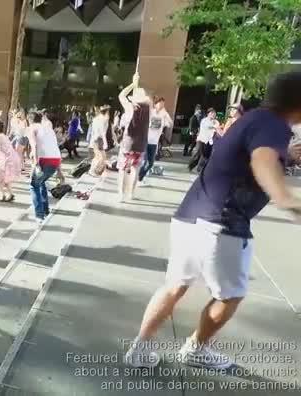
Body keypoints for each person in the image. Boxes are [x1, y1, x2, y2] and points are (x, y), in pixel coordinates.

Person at [125, 71, 301, 370]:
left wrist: (288, 155)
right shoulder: (275, 126)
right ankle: (195, 348)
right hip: (223, 223)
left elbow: (252, 154)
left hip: (190, 214)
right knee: (231, 296)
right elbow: (262, 160)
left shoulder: (255, 119)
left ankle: (139, 349)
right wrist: (286, 199)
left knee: (174, 285)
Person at [116, 73, 150, 202]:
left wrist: (133, 83)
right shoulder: (148, 109)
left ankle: (121, 193)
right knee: (135, 168)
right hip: (141, 143)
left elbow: (121, 95)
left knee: (123, 168)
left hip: (128, 142)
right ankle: (131, 194)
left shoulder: (130, 107)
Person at [27, 111, 61, 224]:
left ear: (29, 120)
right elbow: (56, 147)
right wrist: (59, 171)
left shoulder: (31, 128)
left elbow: (34, 145)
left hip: (44, 161)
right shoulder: (49, 129)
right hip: (56, 160)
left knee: (33, 185)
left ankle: (39, 215)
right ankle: (45, 210)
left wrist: (36, 163)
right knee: (41, 182)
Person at [139, 96, 173, 186]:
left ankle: (139, 178)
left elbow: (170, 124)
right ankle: (138, 179)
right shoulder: (151, 112)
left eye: (163, 104)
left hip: (154, 142)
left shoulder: (163, 114)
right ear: (155, 104)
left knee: (150, 163)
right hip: (146, 140)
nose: (161, 105)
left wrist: (166, 114)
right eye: (160, 103)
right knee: (145, 161)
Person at [188, 108, 219, 173]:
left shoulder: (216, 121)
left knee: (205, 155)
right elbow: (207, 127)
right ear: (208, 114)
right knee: (198, 154)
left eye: (214, 113)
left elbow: (217, 128)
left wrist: (215, 126)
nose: (213, 115)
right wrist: (214, 127)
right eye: (211, 113)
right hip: (201, 140)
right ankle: (190, 166)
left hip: (209, 141)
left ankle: (200, 169)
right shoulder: (204, 120)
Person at [88, 106, 111, 177]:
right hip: (99, 139)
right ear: (106, 112)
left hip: (96, 139)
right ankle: (93, 170)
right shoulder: (103, 119)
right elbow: (102, 132)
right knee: (101, 157)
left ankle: (94, 170)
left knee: (99, 156)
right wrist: (105, 143)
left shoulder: (96, 119)